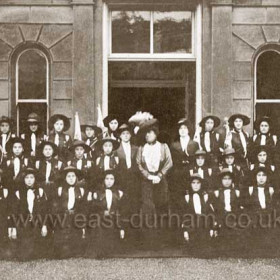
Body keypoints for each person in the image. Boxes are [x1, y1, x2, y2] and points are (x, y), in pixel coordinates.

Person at [136, 119, 173, 248]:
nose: (148, 136)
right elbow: (139, 164)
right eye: (146, 134)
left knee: (161, 207)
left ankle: (161, 241)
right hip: (147, 182)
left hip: (160, 180)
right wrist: (148, 176)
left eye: (150, 133)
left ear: (156, 134)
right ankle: (148, 241)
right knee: (148, 208)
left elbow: (169, 162)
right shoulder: (142, 148)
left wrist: (160, 175)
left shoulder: (163, 147)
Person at [87, 169, 126, 257]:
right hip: (100, 220)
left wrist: (121, 227)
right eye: (107, 179)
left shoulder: (119, 193)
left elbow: (120, 211)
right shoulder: (97, 193)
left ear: (115, 180)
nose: (109, 181)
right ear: (103, 180)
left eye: (111, 179)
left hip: (113, 220)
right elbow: (93, 209)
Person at [13, 168, 49, 259]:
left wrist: (44, 225)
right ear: (23, 179)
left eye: (31, 177)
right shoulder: (18, 193)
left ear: (35, 179)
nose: (29, 180)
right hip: (23, 223)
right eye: (27, 178)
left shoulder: (40, 191)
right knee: (23, 254)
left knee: (38, 252)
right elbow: (15, 211)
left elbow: (44, 210)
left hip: (37, 223)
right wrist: (14, 228)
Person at [52, 166, 87, 258]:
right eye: (68, 176)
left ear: (76, 178)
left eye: (73, 176)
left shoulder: (81, 190)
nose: (71, 179)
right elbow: (56, 206)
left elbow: (82, 208)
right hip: (63, 216)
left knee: (75, 238)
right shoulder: (60, 190)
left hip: (75, 216)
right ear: (65, 178)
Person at [170, 118, 199, 212]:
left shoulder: (194, 144)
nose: (182, 130)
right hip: (177, 173)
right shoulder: (174, 145)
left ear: (188, 130)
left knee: (190, 193)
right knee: (178, 195)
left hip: (190, 172)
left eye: (185, 128)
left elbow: (197, 159)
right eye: (180, 128)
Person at [181, 174, 216, 244]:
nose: (196, 185)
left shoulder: (205, 197)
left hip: (204, 225)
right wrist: (185, 231)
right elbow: (185, 215)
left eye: (198, 183)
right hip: (192, 226)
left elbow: (210, 213)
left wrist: (212, 228)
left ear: (201, 184)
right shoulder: (187, 197)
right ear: (190, 184)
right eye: (193, 183)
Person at [212, 169, 243, 246]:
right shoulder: (217, 193)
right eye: (224, 179)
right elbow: (215, 210)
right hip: (222, 218)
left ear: (232, 180)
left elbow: (239, 208)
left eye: (229, 179)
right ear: (221, 180)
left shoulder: (237, 192)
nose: (227, 181)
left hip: (233, 217)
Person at [116, 123, 139, 215]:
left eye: (127, 134)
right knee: (123, 204)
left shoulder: (136, 148)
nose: (125, 136)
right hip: (122, 179)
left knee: (134, 204)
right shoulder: (116, 149)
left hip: (134, 180)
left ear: (130, 135)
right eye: (123, 134)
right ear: (120, 136)